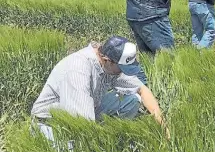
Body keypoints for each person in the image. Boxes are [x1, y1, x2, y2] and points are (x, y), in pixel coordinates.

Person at [30, 36, 169, 143]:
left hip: (88, 110)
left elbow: (142, 89)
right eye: (121, 68)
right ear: (108, 60)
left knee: (133, 100)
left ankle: (107, 136)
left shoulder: (111, 67)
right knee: (78, 148)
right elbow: (82, 125)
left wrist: (164, 128)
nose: (122, 72)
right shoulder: (78, 71)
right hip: (53, 123)